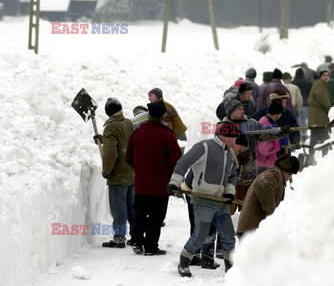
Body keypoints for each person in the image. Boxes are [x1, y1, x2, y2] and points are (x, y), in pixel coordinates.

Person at [166, 122, 239, 277]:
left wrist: (229, 192)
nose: (235, 140)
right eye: (234, 137)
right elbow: (183, 163)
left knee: (229, 236)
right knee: (201, 235)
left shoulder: (229, 153)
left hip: (220, 202)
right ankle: (184, 263)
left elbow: (232, 175)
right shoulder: (204, 147)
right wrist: (174, 182)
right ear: (225, 136)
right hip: (203, 200)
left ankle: (231, 270)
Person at [125, 101, 182, 255]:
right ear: (163, 116)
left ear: (148, 115)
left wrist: (139, 169)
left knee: (140, 213)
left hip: (141, 183)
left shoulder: (137, 133)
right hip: (160, 185)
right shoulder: (167, 135)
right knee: (156, 217)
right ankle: (150, 246)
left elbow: (128, 156)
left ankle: (136, 242)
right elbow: (176, 160)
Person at [95, 98, 135, 248]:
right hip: (131, 172)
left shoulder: (110, 127)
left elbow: (111, 154)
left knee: (119, 208)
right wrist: (104, 140)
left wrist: (106, 171)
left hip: (118, 175)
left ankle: (119, 237)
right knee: (131, 206)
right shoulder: (129, 123)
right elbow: (124, 142)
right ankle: (135, 236)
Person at [236, 154, 300, 237]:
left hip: (254, 230)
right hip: (251, 230)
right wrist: (272, 212)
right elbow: (262, 183)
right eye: (290, 175)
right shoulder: (275, 174)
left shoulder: (277, 176)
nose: (289, 178)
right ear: (288, 172)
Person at [307, 70, 331, 166]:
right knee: (324, 137)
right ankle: (325, 156)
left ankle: (311, 157)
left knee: (315, 138)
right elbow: (321, 96)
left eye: (328, 75)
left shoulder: (320, 84)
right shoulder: (320, 85)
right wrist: (328, 106)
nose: (326, 77)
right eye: (324, 75)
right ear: (320, 76)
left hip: (316, 116)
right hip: (318, 116)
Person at [256, 101, 284, 175]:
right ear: (278, 114)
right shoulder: (265, 125)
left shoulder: (267, 122)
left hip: (266, 163)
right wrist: (279, 142)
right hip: (264, 165)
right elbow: (264, 148)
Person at [292, 68, 312, 139]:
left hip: (296, 105)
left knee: (297, 120)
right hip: (306, 104)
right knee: (303, 120)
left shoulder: (293, 82)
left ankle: (298, 134)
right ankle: (304, 134)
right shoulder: (308, 82)